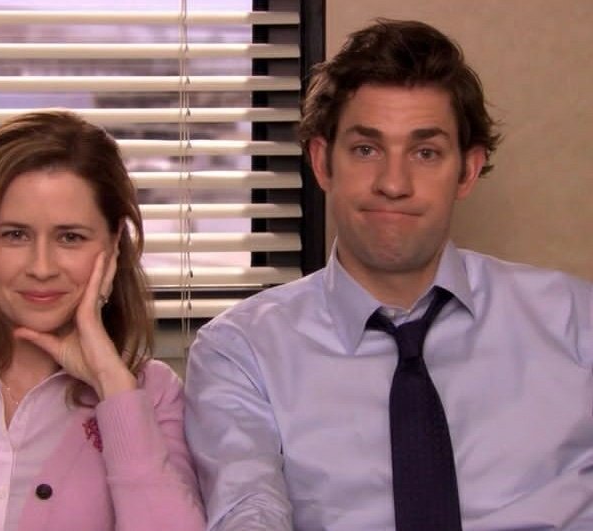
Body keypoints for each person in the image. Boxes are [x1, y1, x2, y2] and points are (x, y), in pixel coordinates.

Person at [184, 18, 593, 530]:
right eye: (366, 149)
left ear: (467, 171)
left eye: (425, 153)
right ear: (322, 162)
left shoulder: (575, 321)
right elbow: (248, 512)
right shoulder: (242, 352)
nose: (394, 184)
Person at [0, 110, 206, 530]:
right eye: (15, 234)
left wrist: (112, 386)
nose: (41, 267)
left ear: (114, 246)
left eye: (70, 237)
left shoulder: (152, 395)